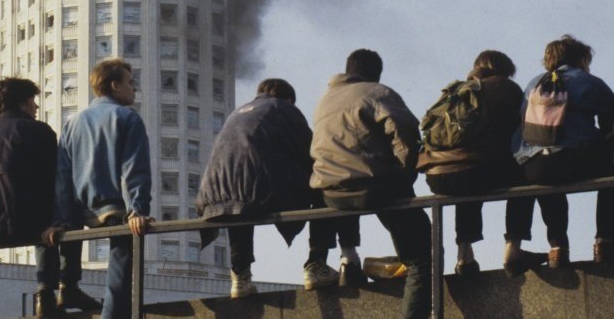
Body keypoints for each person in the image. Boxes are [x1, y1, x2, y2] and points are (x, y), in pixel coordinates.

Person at [196, 78, 364, 297]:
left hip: (212, 192)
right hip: (254, 187)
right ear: (288, 99)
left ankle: (240, 276)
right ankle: (316, 263)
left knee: (238, 203)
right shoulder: (282, 108)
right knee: (325, 183)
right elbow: (313, 153)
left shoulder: (238, 113)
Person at [0, 78, 100, 318]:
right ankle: (61, 289)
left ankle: (50, 292)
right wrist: (60, 220)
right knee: (69, 211)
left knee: (37, 206)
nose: (36, 107)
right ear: (23, 103)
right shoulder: (38, 130)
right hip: (19, 222)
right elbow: (56, 182)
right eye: (33, 101)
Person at [310, 49, 431, 319]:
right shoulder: (377, 93)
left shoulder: (324, 101)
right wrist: (405, 175)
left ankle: (349, 262)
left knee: (356, 193)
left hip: (331, 193)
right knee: (422, 254)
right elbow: (407, 136)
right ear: (376, 73)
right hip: (373, 187)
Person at [417, 51, 546, 276]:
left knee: (467, 178)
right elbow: (520, 131)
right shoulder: (506, 87)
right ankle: (513, 250)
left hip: (437, 177)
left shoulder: (457, 90)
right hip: (472, 172)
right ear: (504, 71)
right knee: (524, 176)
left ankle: (464, 256)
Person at [43, 59, 152, 319]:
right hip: (115, 206)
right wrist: (136, 209)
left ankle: (67, 286)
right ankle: (112, 315)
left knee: (73, 237)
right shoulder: (128, 118)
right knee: (124, 259)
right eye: (130, 82)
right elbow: (133, 168)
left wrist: (61, 220)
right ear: (115, 86)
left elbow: (63, 177)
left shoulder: (72, 123)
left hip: (80, 208)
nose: (134, 89)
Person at [506, 35, 614, 268]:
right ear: (581, 59)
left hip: (535, 166)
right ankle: (605, 241)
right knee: (610, 176)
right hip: (576, 159)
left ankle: (557, 248)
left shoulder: (533, 84)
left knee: (549, 179)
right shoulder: (589, 82)